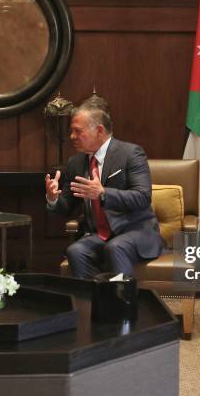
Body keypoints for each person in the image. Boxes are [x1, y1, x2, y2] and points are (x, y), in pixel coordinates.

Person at [45, 100, 164, 279]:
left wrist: (103, 193)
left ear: (99, 131)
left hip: (137, 232)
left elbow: (142, 197)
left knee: (116, 247)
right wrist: (53, 197)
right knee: (76, 250)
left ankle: (122, 304)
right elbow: (67, 207)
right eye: (72, 131)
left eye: (78, 131)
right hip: (100, 236)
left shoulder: (130, 154)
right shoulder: (75, 163)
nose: (72, 136)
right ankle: (92, 304)